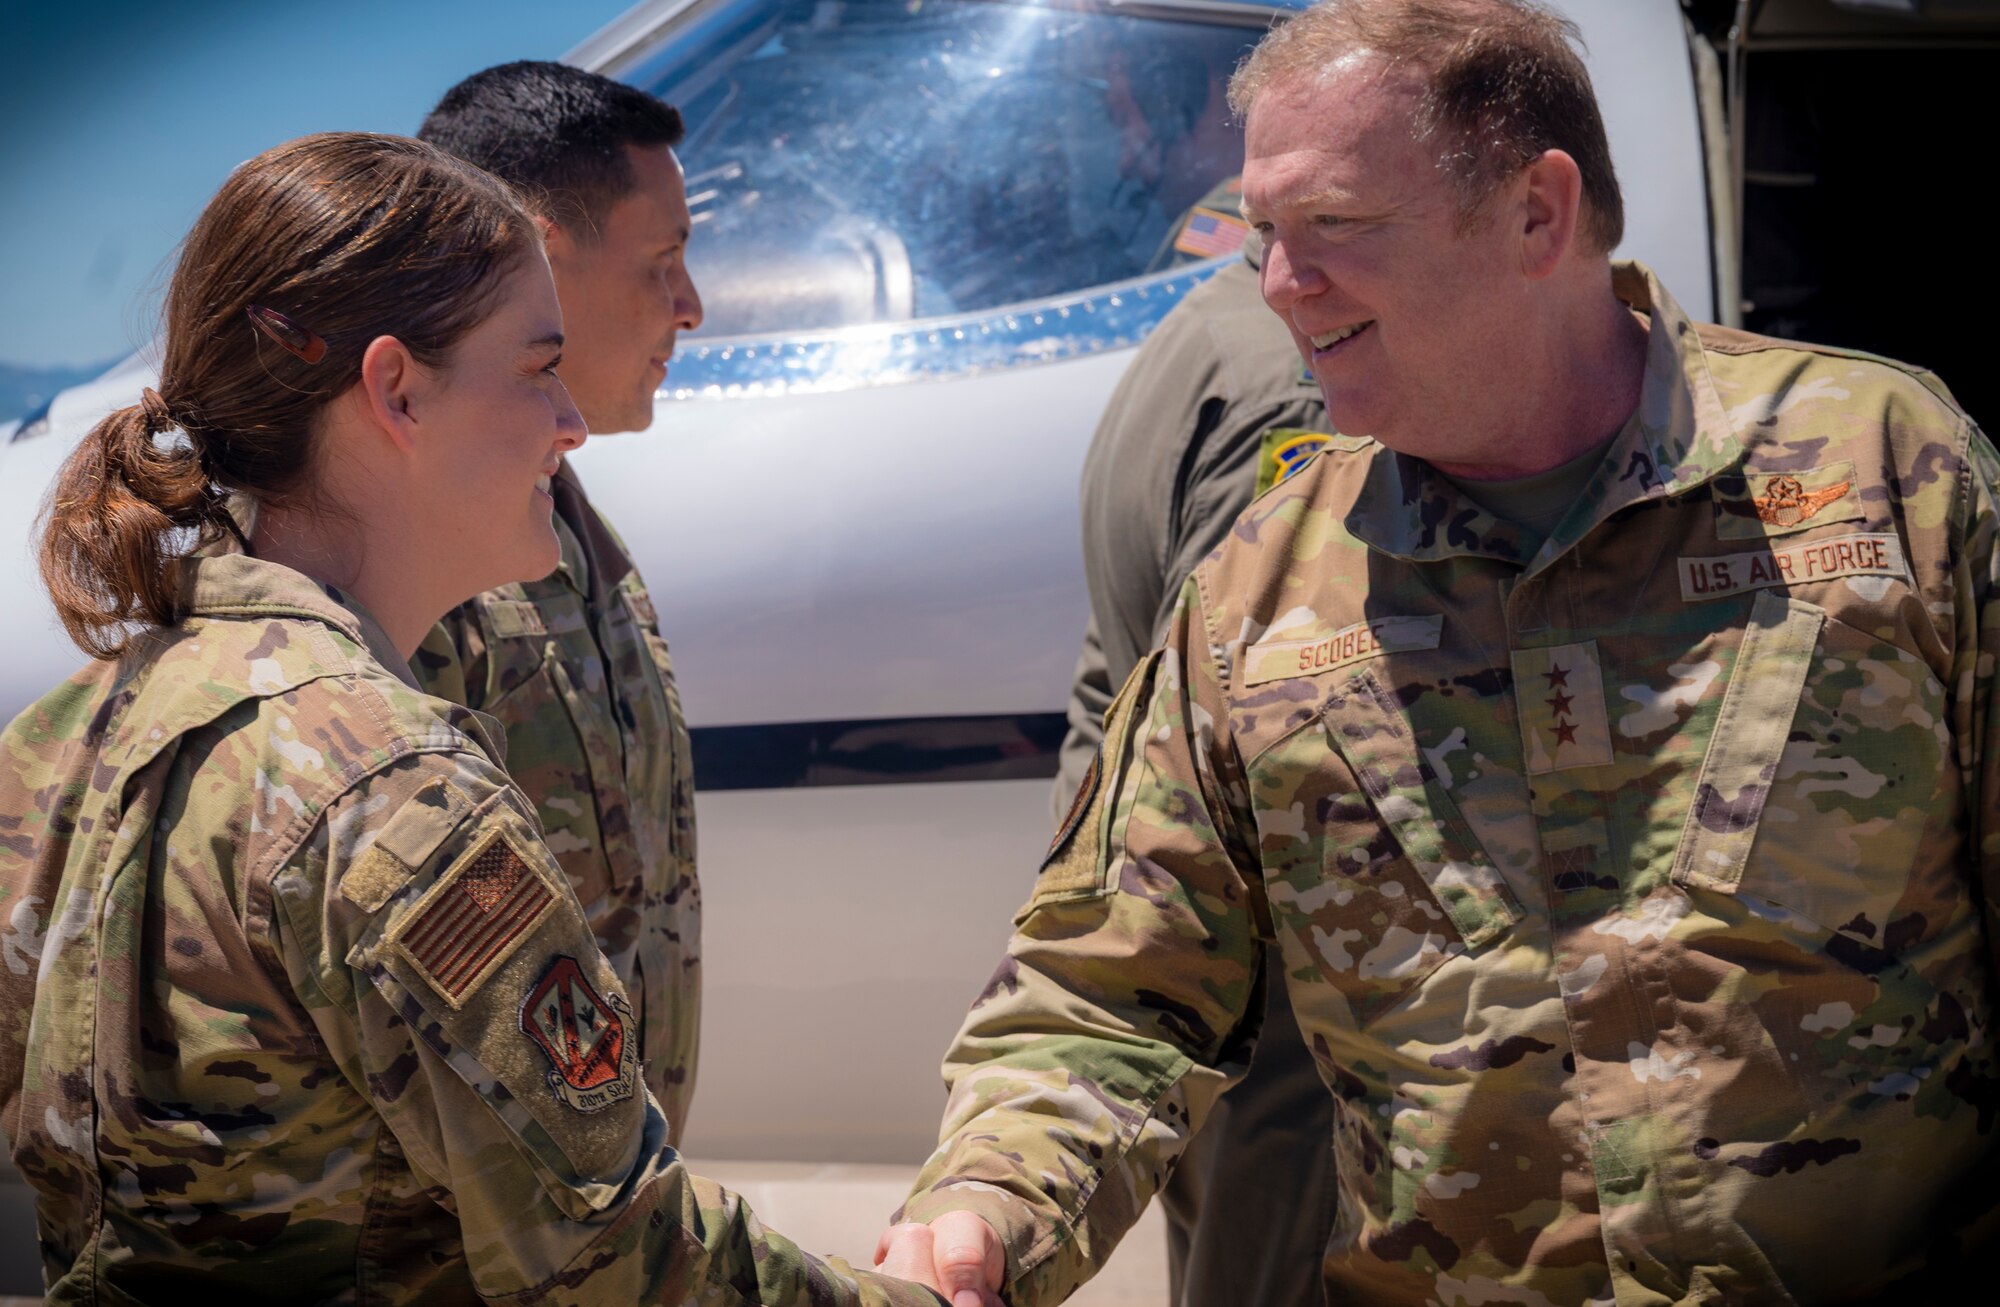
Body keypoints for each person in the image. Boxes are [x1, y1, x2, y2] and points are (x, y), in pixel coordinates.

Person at [877, 2, 2000, 1303]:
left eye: (1336, 229)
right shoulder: (1262, 593)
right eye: (1264, 237)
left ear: (1537, 212)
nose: (1282, 287)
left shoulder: (1883, 471)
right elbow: (1106, 993)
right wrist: (986, 1202)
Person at [0, 131, 939, 1304]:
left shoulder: (70, 738)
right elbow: (625, 1260)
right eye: (537, 366)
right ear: (396, 388)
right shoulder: (392, 792)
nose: (571, 421)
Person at [409, 62, 707, 1141]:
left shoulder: (572, 536)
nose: (691, 305)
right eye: (662, 262)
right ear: (528, 247)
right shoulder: (412, 569)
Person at [1050, 235, 1336, 1307]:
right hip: (1278, 994)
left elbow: (1117, 671)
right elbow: (1256, 719)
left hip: (1201, 954)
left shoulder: (1207, 327)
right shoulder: (1300, 390)